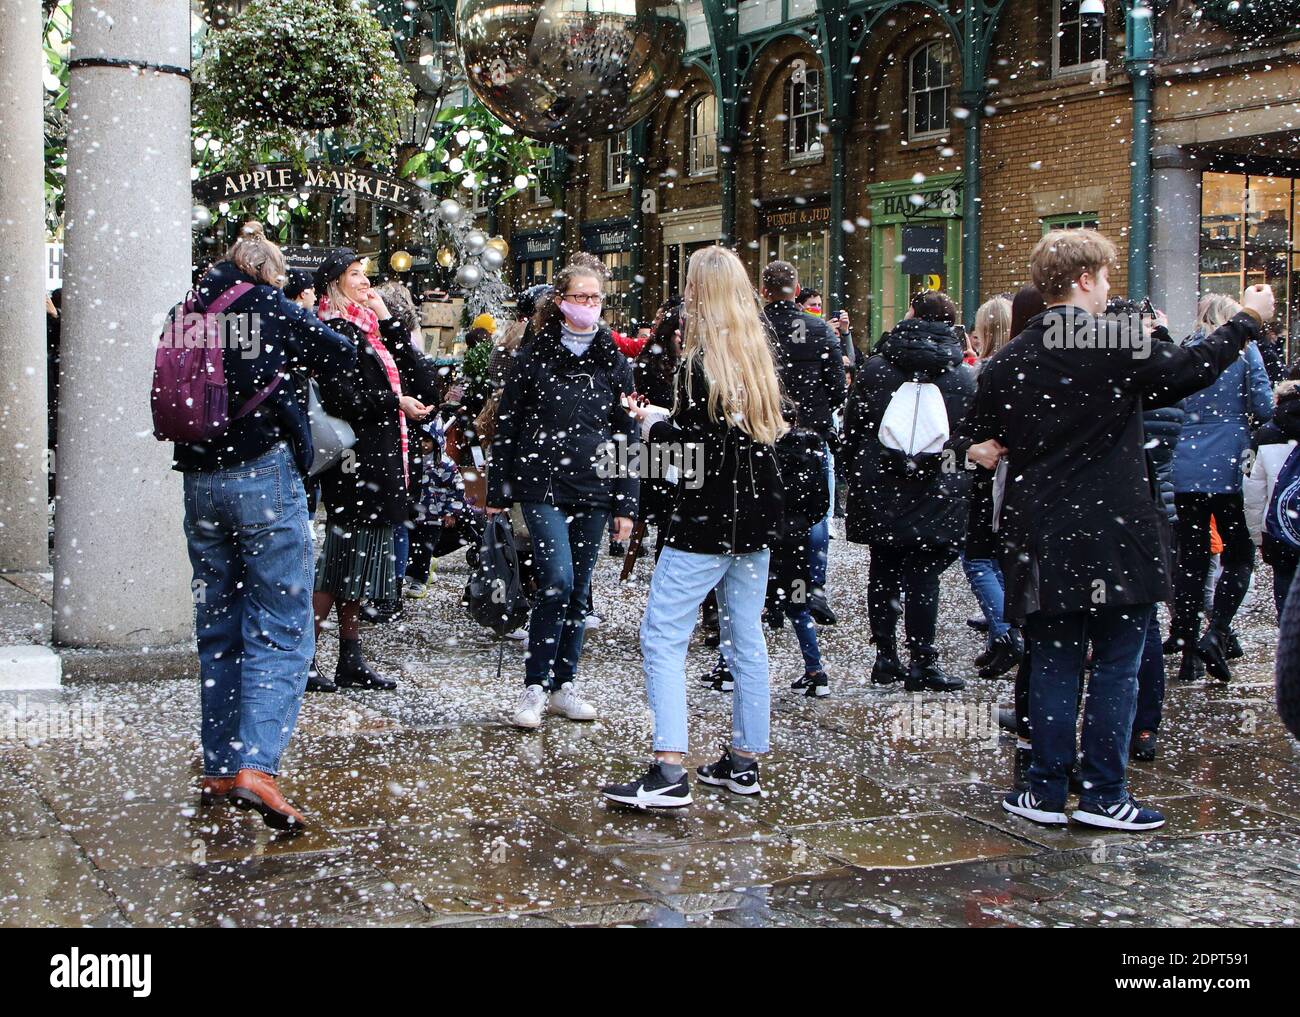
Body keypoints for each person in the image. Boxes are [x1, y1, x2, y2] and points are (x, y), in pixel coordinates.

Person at [953, 227, 1273, 832]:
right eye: (1103, 278)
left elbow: (972, 436)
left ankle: (1045, 789)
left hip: (1041, 527)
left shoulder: (1010, 359)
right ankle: (1104, 793)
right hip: (1114, 528)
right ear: (1083, 279)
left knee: (1052, 660)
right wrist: (1246, 321)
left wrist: (981, 450)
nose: (1107, 290)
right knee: (1117, 663)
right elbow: (1190, 370)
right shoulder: (1115, 342)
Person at [174, 222, 356, 830]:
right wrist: (326, 315)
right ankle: (257, 764)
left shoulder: (191, 307)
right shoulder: (271, 307)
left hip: (199, 481)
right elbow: (344, 356)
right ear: (269, 273)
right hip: (263, 477)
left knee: (219, 622)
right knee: (282, 623)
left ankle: (221, 764)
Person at [602, 245, 787, 808]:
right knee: (745, 636)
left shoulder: (698, 364)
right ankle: (745, 761)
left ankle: (667, 768)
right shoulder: (756, 356)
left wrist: (654, 429)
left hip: (706, 524)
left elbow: (689, 461)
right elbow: (746, 442)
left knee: (663, 636)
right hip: (752, 523)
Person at [488, 259, 638, 729]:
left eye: (595, 299)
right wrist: (499, 489)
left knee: (580, 591)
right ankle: (535, 684)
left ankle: (563, 683)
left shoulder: (613, 360)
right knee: (558, 581)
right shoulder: (534, 356)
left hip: (594, 487)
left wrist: (627, 504)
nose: (588, 306)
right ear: (560, 302)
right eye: (580, 297)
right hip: (542, 482)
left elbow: (627, 434)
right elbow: (507, 425)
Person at [310, 250, 441, 693]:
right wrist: (393, 402)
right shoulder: (333, 330)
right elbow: (341, 397)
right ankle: (305, 659)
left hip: (382, 461)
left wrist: (388, 320)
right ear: (334, 284)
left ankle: (350, 658)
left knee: (358, 565)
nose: (365, 282)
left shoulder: (372, 330)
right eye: (354, 275)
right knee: (339, 561)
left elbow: (425, 384)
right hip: (355, 463)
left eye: (365, 274)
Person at [843, 289, 975, 692]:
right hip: (935, 488)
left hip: (881, 485)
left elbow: (853, 428)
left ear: (912, 314)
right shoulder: (960, 375)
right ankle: (923, 660)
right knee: (923, 576)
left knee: (882, 569)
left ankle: (885, 658)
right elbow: (968, 437)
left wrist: (861, 473)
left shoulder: (876, 368)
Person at [1167, 294, 1273, 682]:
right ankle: (1219, 630)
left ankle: (1189, 649)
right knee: (1239, 553)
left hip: (1186, 464)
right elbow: (1263, 407)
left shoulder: (1187, 351)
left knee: (1192, 558)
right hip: (1229, 463)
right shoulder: (1246, 354)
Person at [762, 262, 847, 626]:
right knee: (813, 515)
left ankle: (772, 595)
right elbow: (837, 387)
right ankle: (809, 590)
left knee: (767, 513)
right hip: (810, 436)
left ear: (765, 291)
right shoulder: (817, 329)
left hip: (764, 433)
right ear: (797, 290)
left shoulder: (752, 330)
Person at [961, 295, 1022, 679]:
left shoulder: (985, 372)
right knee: (1001, 559)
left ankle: (1005, 632)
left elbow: (967, 430)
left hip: (992, 479)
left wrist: (967, 449)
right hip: (1018, 479)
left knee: (979, 558)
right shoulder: (1025, 367)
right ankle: (1002, 635)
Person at [1245, 371, 1300, 619]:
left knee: (1285, 581)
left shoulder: (1263, 435)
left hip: (1279, 528)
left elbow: (1253, 491)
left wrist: (1259, 535)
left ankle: (1289, 640)